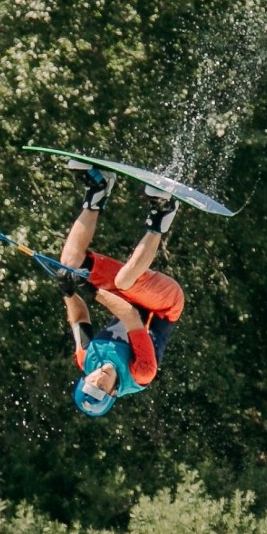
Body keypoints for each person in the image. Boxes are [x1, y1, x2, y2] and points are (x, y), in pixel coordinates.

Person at [56, 163, 184, 417]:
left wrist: (68, 292)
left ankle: (98, 189)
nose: (98, 377)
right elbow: (130, 316)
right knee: (125, 280)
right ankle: (162, 211)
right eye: (102, 386)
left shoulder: (87, 359)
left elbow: (80, 319)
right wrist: (94, 293)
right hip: (164, 304)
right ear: (113, 392)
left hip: (130, 297)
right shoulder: (141, 373)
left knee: (70, 264)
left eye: (91, 380)